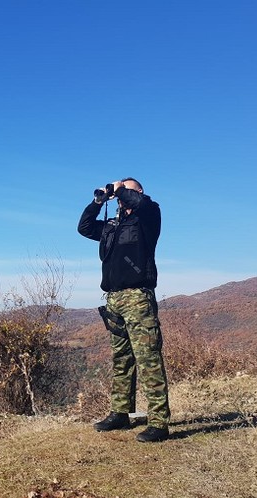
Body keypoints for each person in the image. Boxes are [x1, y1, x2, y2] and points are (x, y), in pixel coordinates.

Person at [77, 177, 170, 442]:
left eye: (127, 191)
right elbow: (83, 227)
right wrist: (98, 201)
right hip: (113, 299)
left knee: (148, 359)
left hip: (138, 297)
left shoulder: (149, 216)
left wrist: (120, 188)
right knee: (121, 359)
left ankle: (159, 423)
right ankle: (120, 413)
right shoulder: (111, 226)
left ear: (138, 192)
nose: (121, 196)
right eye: (120, 193)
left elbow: (138, 203)